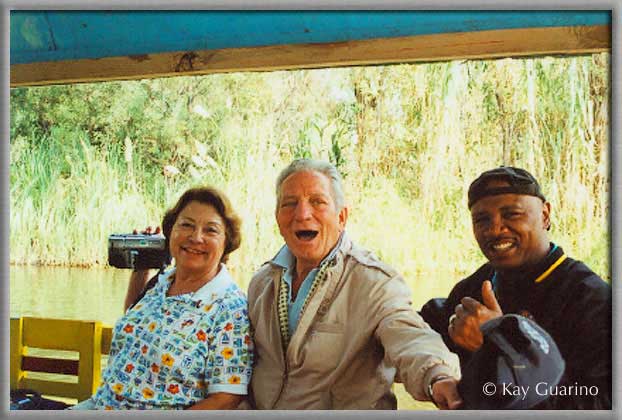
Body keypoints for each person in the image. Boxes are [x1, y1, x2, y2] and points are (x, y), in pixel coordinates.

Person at [244, 158, 462, 410]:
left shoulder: (374, 282)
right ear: (277, 218)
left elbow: (409, 336)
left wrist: (437, 375)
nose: (302, 214)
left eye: (318, 202)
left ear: (342, 216)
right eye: (289, 204)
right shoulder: (262, 283)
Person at [420, 166, 611, 409]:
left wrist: (498, 344)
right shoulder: (477, 285)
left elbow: (600, 403)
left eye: (511, 214)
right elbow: (420, 330)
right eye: (482, 219)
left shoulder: (593, 300)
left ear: (545, 215)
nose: (495, 229)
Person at [73, 186, 253, 410]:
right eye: (186, 225)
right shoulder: (162, 281)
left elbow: (226, 399)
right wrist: (141, 267)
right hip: (99, 405)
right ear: (170, 232)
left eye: (211, 230)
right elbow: (137, 325)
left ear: (227, 242)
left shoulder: (229, 308)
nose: (196, 237)